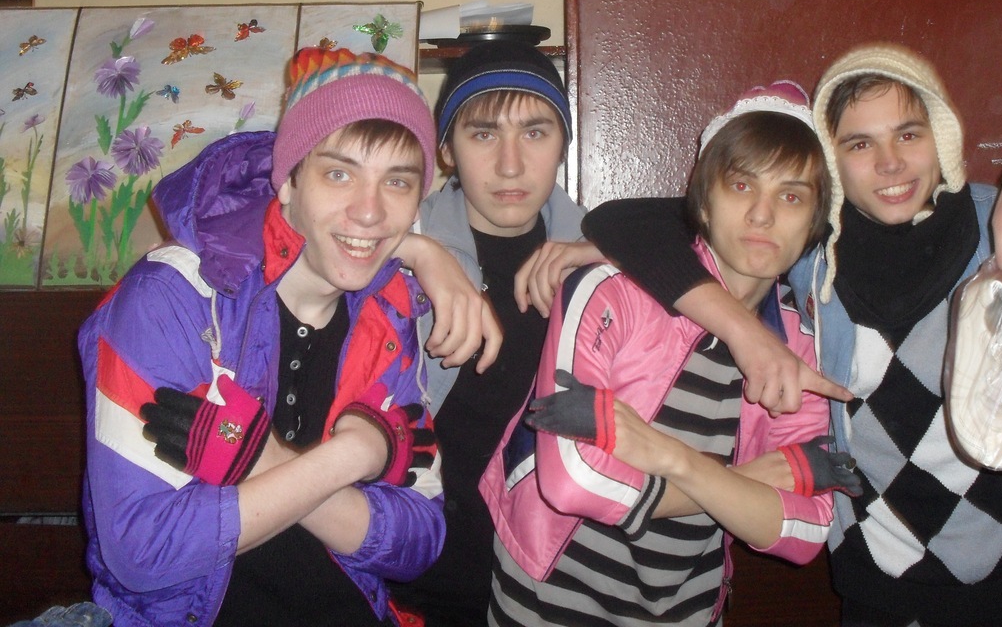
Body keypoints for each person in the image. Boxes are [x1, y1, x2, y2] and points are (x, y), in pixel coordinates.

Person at [581, 43, 1002, 627]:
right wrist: (745, 332)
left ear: (940, 137)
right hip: (879, 598)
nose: (889, 162)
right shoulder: (810, 251)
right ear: (833, 163)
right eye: (859, 144)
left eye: (908, 134)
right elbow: (627, 222)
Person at [78, 46, 447, 627]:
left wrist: (261, 460)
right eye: (339, 173)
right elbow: (143, 553)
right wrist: (355, 455)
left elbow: (420, 539)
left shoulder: (390, 315)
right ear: (289, 182)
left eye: (397, 182)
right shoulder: (171, 299)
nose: (370, 211)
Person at [482, 82, 859, 627]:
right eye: (742, 185)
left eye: (791, 196)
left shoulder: (801, 343)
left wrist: (672, 458)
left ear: (815, 223)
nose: (762, 214)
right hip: (550, 602)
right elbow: (569, 480)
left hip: (689, 610)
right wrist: (751, 479)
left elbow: (804, 532)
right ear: (703, 202)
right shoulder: (609, 290)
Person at [392, 41, 585, 626]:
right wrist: (419, 250)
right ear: (446, 149)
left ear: (563, 144)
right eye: (483, 134)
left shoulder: (600, 263)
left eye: (535, 133)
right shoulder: (392, 246)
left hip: (555, 593)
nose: (510, 164)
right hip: (415, 582)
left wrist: (606, 252)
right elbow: (286, 228)